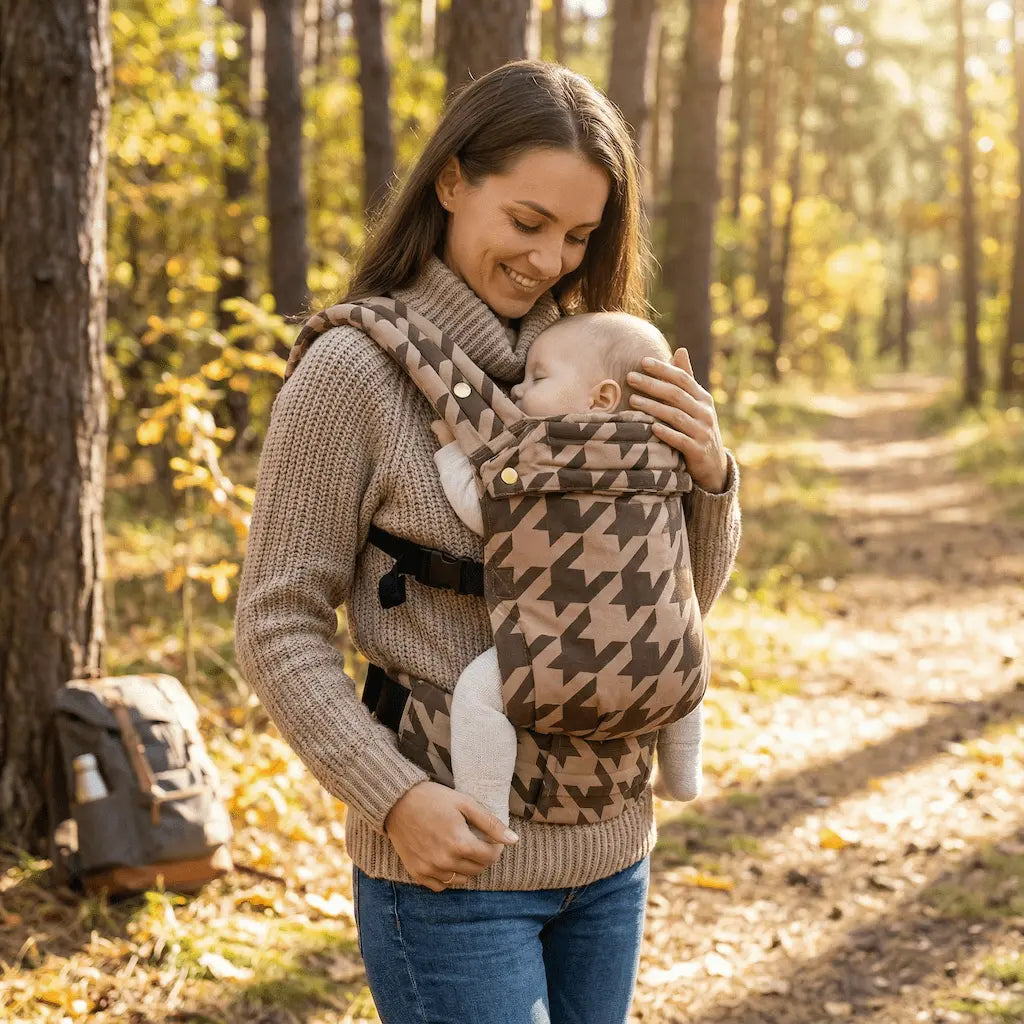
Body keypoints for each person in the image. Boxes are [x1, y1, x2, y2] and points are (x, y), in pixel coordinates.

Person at [235, 59, 741, 1024]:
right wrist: (391, 798)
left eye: (581, 236)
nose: (551, 260)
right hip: (451, 865)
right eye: (528, 222)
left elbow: (674, 608)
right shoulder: (354, 372)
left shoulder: (606, 361)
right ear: (453, 181)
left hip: (613, 847)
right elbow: (276, 621)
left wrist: (709, 477)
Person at [431, 311, 706, 832]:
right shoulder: (664, 452)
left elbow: (486, 514)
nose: (517, 391)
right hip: (658, 644)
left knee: (480, 694)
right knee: (681, 669)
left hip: (560, 650)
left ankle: (486, 807)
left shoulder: (547, 460)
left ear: (600, 399)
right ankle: (683, 775)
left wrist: (450, 451)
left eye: (538, 377)